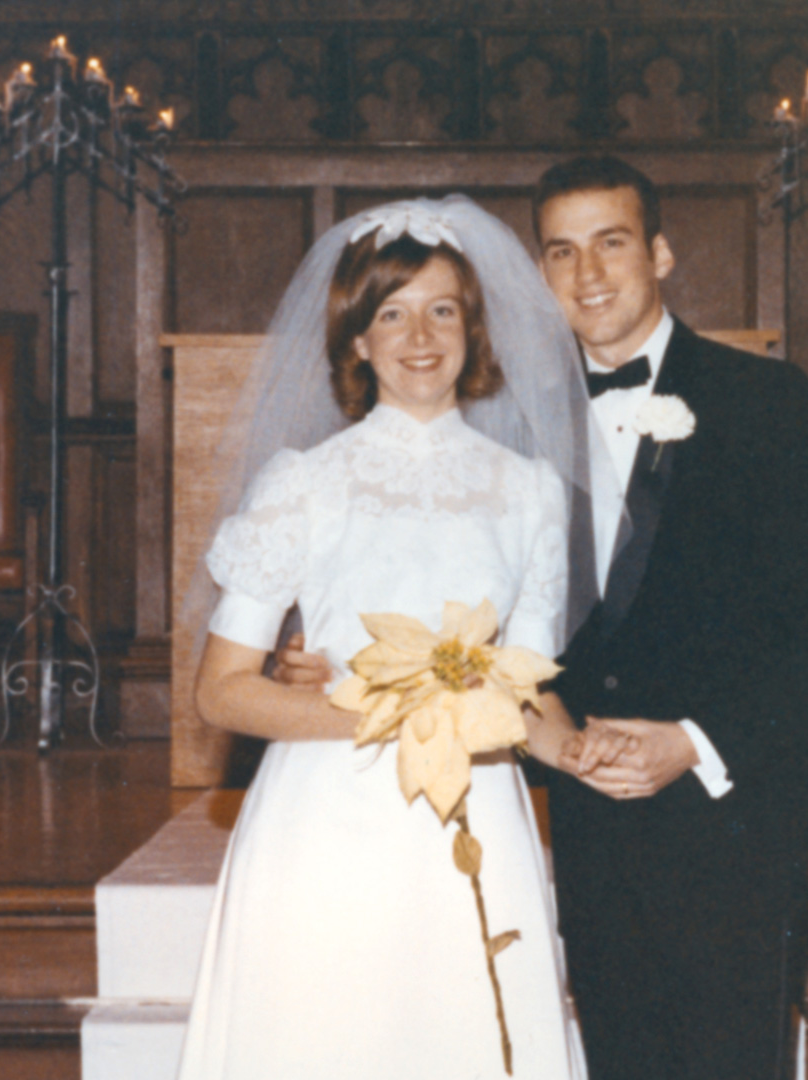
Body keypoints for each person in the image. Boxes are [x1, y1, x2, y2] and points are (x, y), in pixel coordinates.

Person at [277, 157, 808, 1080]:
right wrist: (322, 658)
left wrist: (696, 742)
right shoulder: (498, 434)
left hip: (733, 825)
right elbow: (449, 614)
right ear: (536, 272)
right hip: (587, 834)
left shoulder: (769, 403)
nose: (588, 275)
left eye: (612, 244)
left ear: (662, 253)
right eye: (562, 252)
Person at [175, 197, 599, 1080]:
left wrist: (579, 752)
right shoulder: (304, 483)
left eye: (443, 309)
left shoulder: (529, 491)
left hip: (476, 806)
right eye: (390, 313)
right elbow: (221, 690)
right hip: (330, 814)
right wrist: (386, 713)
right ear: (357, 341)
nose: (419, 335)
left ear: (472, 332)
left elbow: (524, 687)